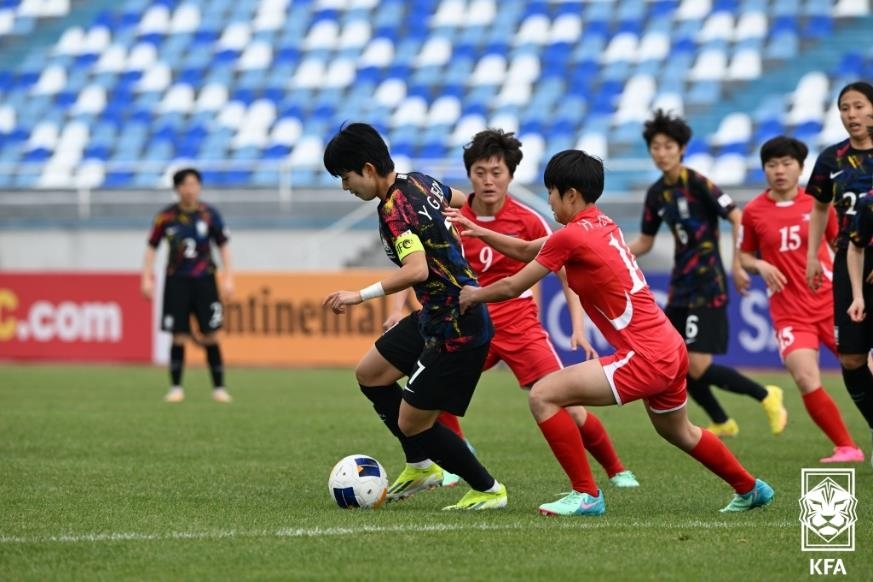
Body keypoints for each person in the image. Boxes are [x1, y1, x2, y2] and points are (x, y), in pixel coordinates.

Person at [455, 149, 773, 516]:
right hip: (669, 346)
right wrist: (480, 231)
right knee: (679, 432)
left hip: (644, 355)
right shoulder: (602, 224)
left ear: (570, 194)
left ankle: (586, 494)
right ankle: (751, 488)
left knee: (543, 395)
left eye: (552, 192)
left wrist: (474, 295)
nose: (549, 200)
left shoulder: (569, 237)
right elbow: (528, 249)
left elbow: (512, 286)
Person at [386, 129, 639, 489]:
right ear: (468, 174)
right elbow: (417, 262)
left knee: (568, 404)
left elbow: (568, 274)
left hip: (520, 326)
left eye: (497, 172)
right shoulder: (445, 215)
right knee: (429, 393)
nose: (488, 181)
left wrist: (578, 328)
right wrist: (398, 308)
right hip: (470, 324)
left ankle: (616, 469)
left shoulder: (529, 220)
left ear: (510, 175)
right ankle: (460, 457)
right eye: (480, 172)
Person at [321, 122, 507, 510]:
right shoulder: (420, 181)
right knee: (370, 373)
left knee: (412, 422)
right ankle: (421, 466)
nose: (345, 186)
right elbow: (460, 198)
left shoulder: (393, 209)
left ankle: (488, 489)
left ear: (369, 169)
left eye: (346, 176)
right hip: (435, 315)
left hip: (456, 325)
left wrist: (358, 295)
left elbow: (416, 269)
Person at [628, 109, 786, 438]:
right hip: (680, 288)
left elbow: (738, 216)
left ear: (682, 148)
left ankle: (766, 395)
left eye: (668, 146)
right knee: (673, 362)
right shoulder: (656, 193)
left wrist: (739, 262)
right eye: (656, 147)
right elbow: (645, 240)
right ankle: (721, 421)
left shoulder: (698, 183)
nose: (662, 153)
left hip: (708, 284)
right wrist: (615, 254)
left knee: (696, 364)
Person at [739, 136, 864, 463]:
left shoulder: (817, 204)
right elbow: (743, 258)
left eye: (786, 163)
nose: (779, 171)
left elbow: (844, 246)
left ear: (800, 167)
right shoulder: (753, 212)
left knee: (865, 368)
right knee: (805, 377)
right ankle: (847, 447)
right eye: (772, 165)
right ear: (764, 169)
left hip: (830, 304)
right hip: (789, 313)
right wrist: (759, 264)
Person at [807, 81, 873, 464]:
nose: (851, 114)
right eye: (845, 108)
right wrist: (814, 256)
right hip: (849, 258)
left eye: (859, 106)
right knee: (850, 359)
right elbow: (819, 207)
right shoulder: (832, 159)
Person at [141, 167, 234, 403]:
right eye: (185, 184)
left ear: (199, 187)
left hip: (205, 281)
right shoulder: (166, 217)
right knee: (179, 335)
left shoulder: (210, 214)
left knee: (212, 334)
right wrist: (146, 277)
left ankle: (219, 388)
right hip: (177, 282)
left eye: (194, 184)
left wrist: (228, 277)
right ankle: (175, 388)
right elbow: (152, 247)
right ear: (177, 188)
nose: (190, 189)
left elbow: (223, 246)